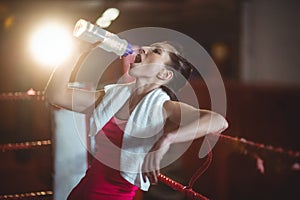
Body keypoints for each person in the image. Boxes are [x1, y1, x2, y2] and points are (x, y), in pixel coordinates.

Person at [45, 41, 228, 200]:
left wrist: (168, 139)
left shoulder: (165, 108)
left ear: (164, 75)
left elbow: (219, 121)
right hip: (82, 190)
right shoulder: (112, 97)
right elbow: (56, 95)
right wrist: (75, 53)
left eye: (156, 51)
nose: (144, 49)